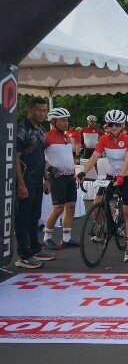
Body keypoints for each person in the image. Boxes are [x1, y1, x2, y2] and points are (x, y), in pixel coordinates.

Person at [77, 110, 128, 263]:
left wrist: (122, 176)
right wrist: (83, 172)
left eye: (117, 124)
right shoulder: (104, 139)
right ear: (108, 126)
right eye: (111, 124)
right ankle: (107, 224)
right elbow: (95, 156)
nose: (115, 127)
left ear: (122, 125)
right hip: (111, 174)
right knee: (97, 204)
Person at [15, 97, 56, 268]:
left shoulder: (40, 128)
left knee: (35, 217)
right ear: (30, 110)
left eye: (45, 110)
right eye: (39, 110)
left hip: (38, 178)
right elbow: (15, 159)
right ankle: (23, 256)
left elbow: (41, 156)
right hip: (25, 180)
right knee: (23, 219)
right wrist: (21, 184)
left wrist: (46, 178)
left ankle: (35, 249)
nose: (43, 113)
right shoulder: (22, 128)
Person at [41, 108, 80, 250]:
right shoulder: (46, 136)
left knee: (71, 207)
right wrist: (50, 169)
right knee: (58, 208)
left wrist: (74, 175)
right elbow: (38, 156)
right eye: (63, 120)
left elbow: (68, 157)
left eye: (67, 120)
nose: (66, 122)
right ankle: (47, 237)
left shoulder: (67, 137)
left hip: (69, 176)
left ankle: (67, 238)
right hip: (57, 177)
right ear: (53, 121)